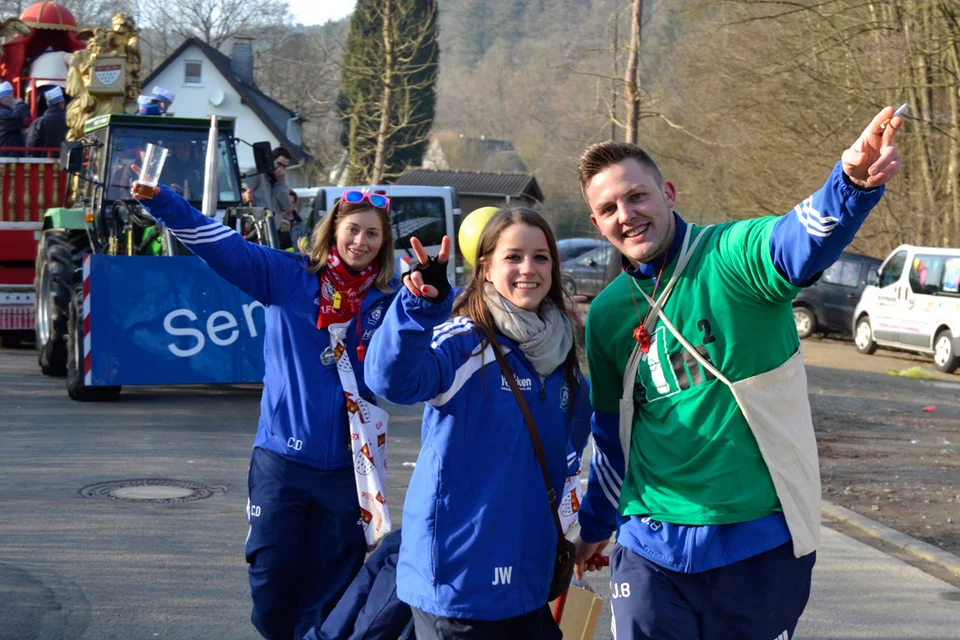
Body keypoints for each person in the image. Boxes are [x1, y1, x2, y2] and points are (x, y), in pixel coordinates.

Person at [572, 106, 904, 640]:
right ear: (596, 223)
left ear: (669, 194)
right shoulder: (608, 314)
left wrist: (848, 186)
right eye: (608, 207)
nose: (626, 214)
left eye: (637, 196)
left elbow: (795, 244)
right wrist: (593, 527)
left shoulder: (730, 255)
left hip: (758, 544)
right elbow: (612, 438)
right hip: (650, 545)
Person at [131, 181, 400, 640]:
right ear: (332, 230)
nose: (361, 242)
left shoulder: (391, 298)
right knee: (271, 580)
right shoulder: (288, 275)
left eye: (372, 234)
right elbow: (224, 247)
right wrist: (164, 203)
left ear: (383, 243)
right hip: (282, 460)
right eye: (353, 229)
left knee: (332, 589)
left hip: (349, 471)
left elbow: (454, 306)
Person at [366, 207, 593, 639]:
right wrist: (418, 308)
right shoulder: (464, 341)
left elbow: (572, 459)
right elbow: (392, 381)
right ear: (485, 268)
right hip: (461, 582)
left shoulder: (562, 358)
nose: (529, 269)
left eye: (541, 257)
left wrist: (586, 528)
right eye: (513, 257)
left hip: (528, 580)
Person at [244, 147, 292, 215]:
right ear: (271, 160)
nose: (281, 169)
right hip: (258, 222)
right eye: (279, 164)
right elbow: (243, 192)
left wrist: (280, 183)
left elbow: (286, 207)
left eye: (284, 167)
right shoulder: (256, 173)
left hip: (273, 224)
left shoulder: (280, 182)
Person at [26, 86, 67, 155]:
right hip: (68, 161)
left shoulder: (38, 122)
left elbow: (31, 146)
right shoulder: (70, 120)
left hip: (44, 163)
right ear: (61, 103)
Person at [0, 81, 29, 156]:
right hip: (7, 157)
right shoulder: (2, 113)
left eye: (12, 95)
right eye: (8, 96)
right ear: (1, 99)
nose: (12, 98)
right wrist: (21, 105)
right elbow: (16, 119)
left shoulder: (8, 111)